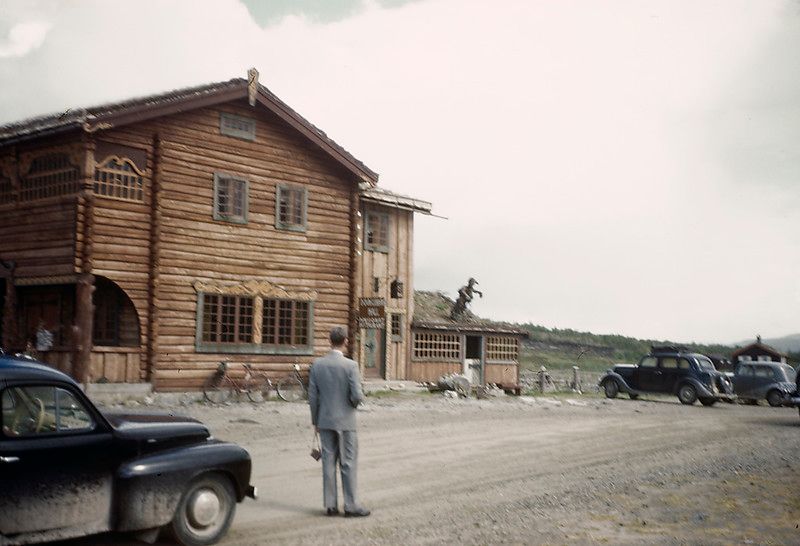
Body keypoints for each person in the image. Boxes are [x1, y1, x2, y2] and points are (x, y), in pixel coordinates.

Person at [308, 327, 370, 517]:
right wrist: (353, 404)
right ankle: (350, 506)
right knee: (348, 462)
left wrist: (315, 421)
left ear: (329, 341)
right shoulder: (351, 365)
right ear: (345, 341)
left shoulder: (317, 365)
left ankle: (331, 505)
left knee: (328, 462)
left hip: (324, 420)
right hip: (346, 421)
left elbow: (312, 396)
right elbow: (357, 395)